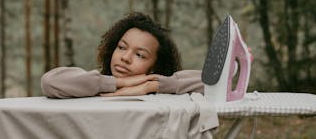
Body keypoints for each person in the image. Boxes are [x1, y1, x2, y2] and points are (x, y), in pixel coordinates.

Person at [41, 12, 203, 98]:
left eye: (140, 55)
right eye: (121, 47)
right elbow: (49, 82)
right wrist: (120, 82)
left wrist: (152, 85)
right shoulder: (92, 87)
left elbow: (212, 85)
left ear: (155, 66)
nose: (125, 58)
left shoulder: (163, 97)